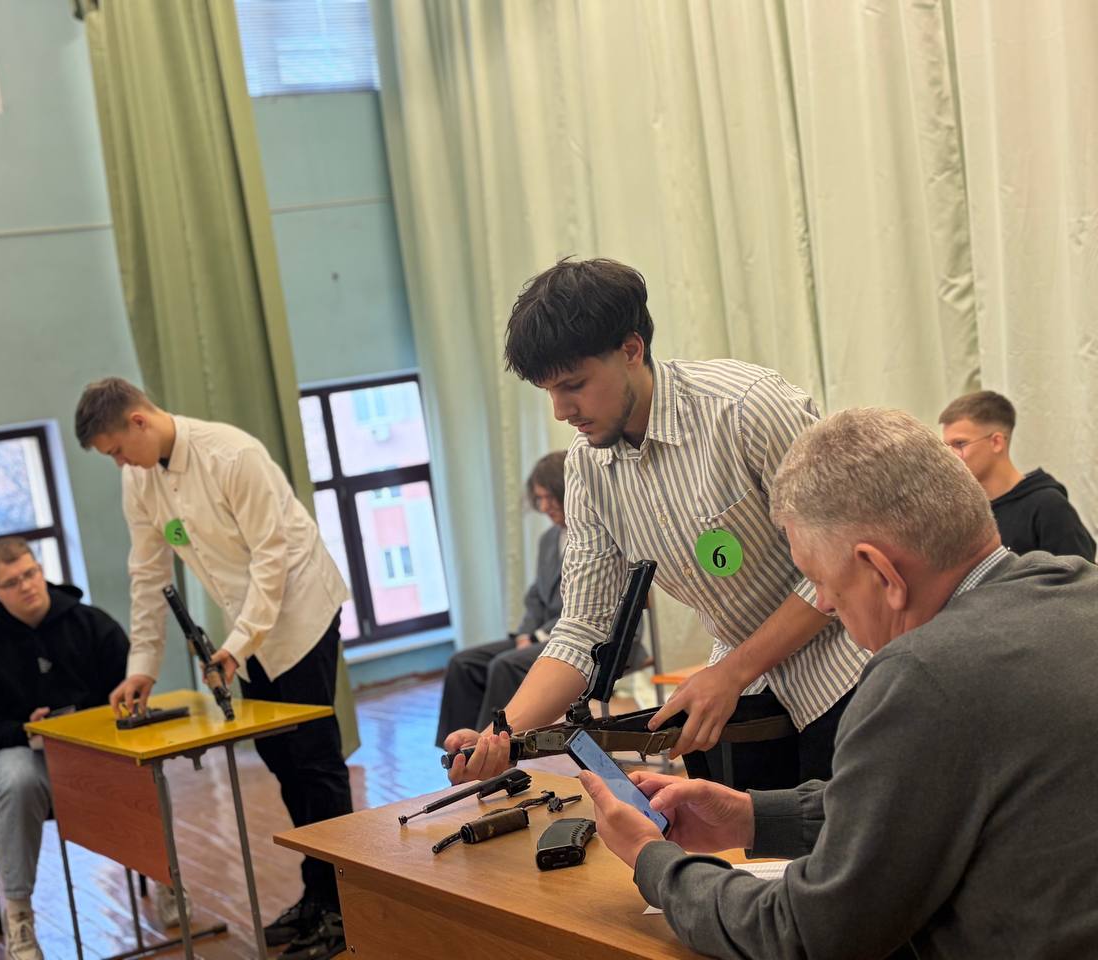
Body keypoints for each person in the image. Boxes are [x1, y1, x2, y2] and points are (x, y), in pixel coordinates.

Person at [582, 407, 1098, 959]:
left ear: (882, 572)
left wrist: (653, 861)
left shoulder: (923, 674)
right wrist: (753, 817)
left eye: (822, 581)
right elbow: (915, 804)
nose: (824, 603)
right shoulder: (1078, 589)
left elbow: (807, 934)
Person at [446, 259, 869, 792]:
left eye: (574, 385)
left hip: (851, 672)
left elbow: (844, 563)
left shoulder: (745, 408)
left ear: (631, 349)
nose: (561, 411)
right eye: (548, 390)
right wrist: (499, 735)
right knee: (755, 840)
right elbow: (584, 628)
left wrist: (733, 671)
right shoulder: (588, 468)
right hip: (749, 693)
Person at [75, 377, 353, 960]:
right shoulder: (139, 479)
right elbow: (148, 575)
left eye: (118, 450)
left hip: (300, 613)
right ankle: (317, 892)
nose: (119, 463)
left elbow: (272, 559)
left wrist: (238, 643)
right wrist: (143, 665)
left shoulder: (232, 454)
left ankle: (343, 908)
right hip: (247, 632)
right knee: (280, 760)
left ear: (139, 421)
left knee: (315, 761)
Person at [0, 537, 147, 960]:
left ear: (41, 571)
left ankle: (167, 880)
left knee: (146, 767)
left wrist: (91, 721)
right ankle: (19, 914)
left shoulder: (93, 623)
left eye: (30, 573)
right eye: (11, 582)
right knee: (17, 781)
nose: (26, 586)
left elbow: (131, 690)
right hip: (24, 751)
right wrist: (26, 730)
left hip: (98, 747)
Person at [435, 452, 567, 746]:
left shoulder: (596, 535)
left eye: (549, 497)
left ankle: (490, 750)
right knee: (463, 663)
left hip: (578, 638)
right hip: (542, 634)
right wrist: (525, 633)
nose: (544, 507)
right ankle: (456, 751)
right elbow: (536, 595)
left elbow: (590, 607)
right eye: (539, 499)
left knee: (504, 665)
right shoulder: (548, 539)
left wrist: (535, 636)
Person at [939, 389, 1095, 560]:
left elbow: (1080, 575)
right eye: (946, 447)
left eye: (960, 443)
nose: (950, 455)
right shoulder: (962, 510)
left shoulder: (1048, 507)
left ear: (996, 442)